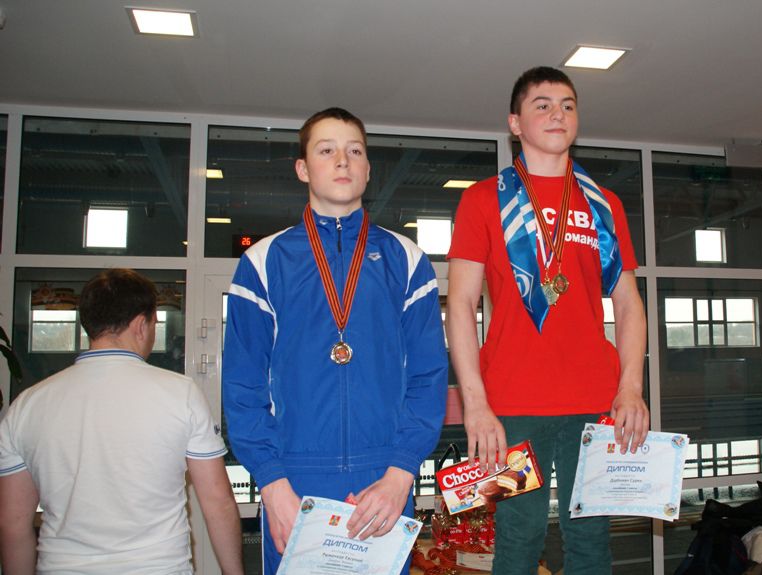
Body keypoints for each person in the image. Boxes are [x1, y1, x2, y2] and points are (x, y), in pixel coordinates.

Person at [222, 107, 447, 574]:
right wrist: (272, 483)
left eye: (355, 151)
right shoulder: (263, 262)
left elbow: (428, 378)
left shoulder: (407, 260)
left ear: (368, 169)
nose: (343, 161)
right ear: (303, 168)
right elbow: (243, 387)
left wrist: (401, 473)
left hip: (385, 481)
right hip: (292, 482)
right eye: (327, 151)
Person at [447, 66, 649, 575]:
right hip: (510, 407)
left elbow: (628, 303)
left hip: (596, 405)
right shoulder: (482, 199)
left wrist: (631, 389)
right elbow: (461, 305)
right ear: (515, 123)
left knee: (591, 542)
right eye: (542, 105)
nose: (557, 113)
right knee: (517, 541)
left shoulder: (604, 204)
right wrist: (475, 405)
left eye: (567, 105)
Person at [0, 268, 242, 575]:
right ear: (141, 325)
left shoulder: (27, 406)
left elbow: (12, 523)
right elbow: (218, 502)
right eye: (154, 323)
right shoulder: (180, 394)